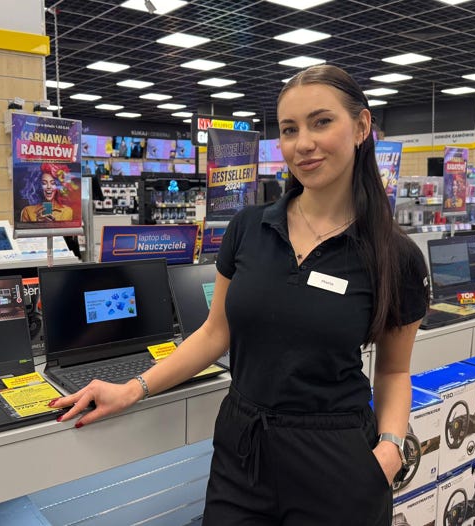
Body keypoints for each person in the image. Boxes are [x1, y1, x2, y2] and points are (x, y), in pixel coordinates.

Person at [50, 64, 429, 525]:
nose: (303, 143)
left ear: (362, 126)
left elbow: (393, 371)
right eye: (289, 129)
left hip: (337, 458)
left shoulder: (394, 256)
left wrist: (390, 448)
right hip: (242, 450)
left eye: (321, 122)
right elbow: (215, 333)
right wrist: (132, 388)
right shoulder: (249, 228)